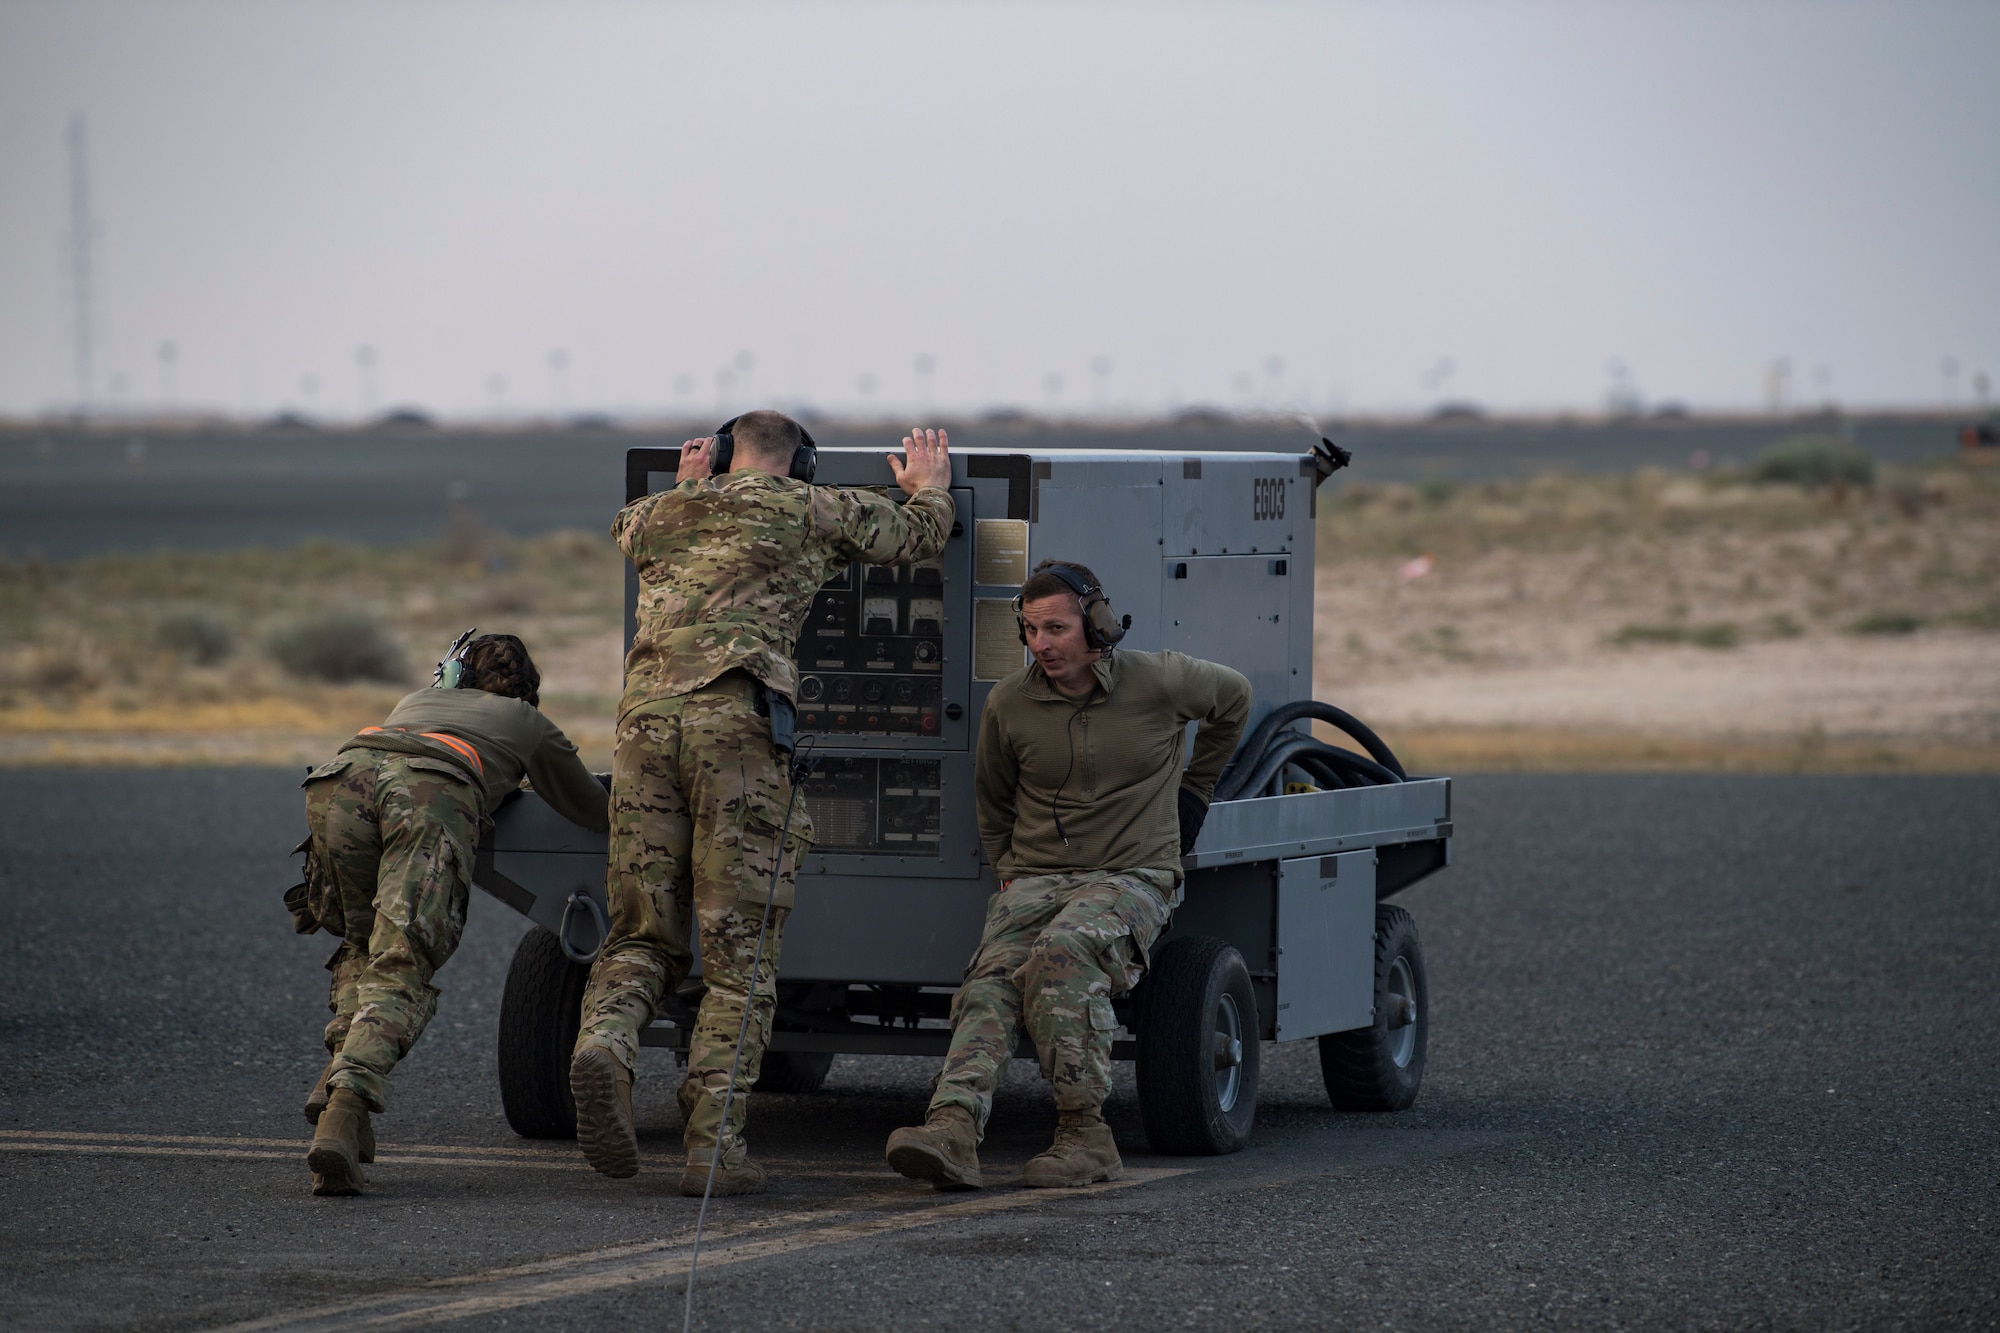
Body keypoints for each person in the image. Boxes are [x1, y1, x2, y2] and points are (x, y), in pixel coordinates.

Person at [571, 411, 953, 1197]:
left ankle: (606, 1044)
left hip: (642, 732)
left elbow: (630, 528)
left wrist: (689, 488)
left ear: (715, 455)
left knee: (642, 929)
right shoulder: (809, 508)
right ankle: (714, 1147)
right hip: (734, 732)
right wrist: (929, 491)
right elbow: (914, 538)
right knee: (741, 957)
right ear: (802, 464)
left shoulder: (659, 513)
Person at [885, 560, 1250, 1189]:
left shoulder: (1160, 680)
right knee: (990, 980)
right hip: (1036, 877)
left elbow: (1234, 697)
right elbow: (993, 798)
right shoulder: (1009, 704)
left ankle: (1086, 1136)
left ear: (1098, 625)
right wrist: (1010, 871)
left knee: (1064, 952)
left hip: (1131, 876)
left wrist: (1195, 793)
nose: (1042, 645)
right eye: (1030, 631)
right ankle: (953, 1127)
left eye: (1055, 629)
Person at [295, 632, 609, 1197]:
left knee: (363, 948)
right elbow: (587, 807)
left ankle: (341, 1074)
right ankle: (343, 1109)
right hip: (427, 796)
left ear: (453, 675)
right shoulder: (526, 721)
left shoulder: (415, 701)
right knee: (403, 963)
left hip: (339, 783)